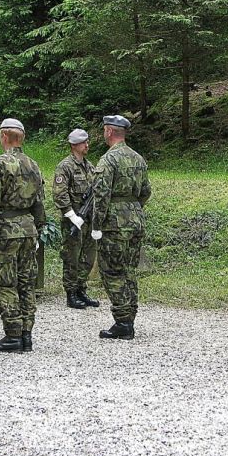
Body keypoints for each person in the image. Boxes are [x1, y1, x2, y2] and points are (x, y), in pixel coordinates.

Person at [0, 118, 46, 353]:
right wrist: (39, 228)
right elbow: (39, 202)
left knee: (6, 283)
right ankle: (27, 334)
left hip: (5, 231)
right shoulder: (33, 165)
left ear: (4, 137)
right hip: (28, 229)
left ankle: (13, 335)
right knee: (27, 283)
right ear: (22, 138)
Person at [92, 115, 152, 340]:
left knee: (112, 270)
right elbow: (146, 191)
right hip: (135, 220)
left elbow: (101, 195)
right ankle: (130, 316)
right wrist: (132, 209)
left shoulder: (108, 160)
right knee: (129, 270)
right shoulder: (138, 159)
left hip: (114, 223)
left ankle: (123, 321)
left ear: (109, 132)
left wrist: (97, 225)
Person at [53, 128, 100, 309]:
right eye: (83, 142)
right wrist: (71, 215)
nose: (87, 145)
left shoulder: (90, 167)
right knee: (71, 256)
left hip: (89, 220)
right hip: (72, 220)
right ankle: (71, 293)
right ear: (74, 145)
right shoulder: (65, 167)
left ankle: (81, 288)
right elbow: (59, 193)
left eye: (87, 142)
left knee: (88, 256)